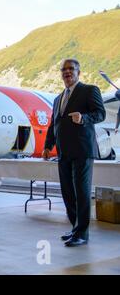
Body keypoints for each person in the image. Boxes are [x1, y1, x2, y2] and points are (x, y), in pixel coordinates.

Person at [43, 59, 106, 247]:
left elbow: (100, 113)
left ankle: (82, 234)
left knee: (81, 192)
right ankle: (75, 228)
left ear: (79, 71)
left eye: (71, 69)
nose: (67, 72)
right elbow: (53, 125)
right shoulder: (58, 98)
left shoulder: (89, 90)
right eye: (64, 69)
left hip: (82, 151)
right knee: (68, 193)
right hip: (63, 152)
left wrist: (83, 118)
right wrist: (48, 145)